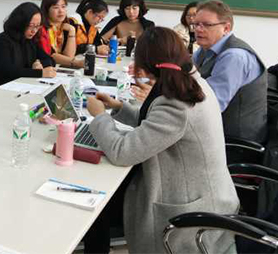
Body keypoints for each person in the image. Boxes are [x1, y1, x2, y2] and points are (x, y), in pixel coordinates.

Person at [85, 27, 239, 253]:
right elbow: (156, 126)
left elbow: (122, 152)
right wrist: (118, 107)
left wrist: (99, 117)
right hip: (206, 193)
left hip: (190, 209)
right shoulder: (191, 82)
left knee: (97, 202)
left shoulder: (177, 102)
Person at [193, 0, 267, 142]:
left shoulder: (234, 56)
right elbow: (186, 81)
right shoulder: (203, 50)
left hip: (236, 139)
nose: (198, 29)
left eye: (206, 25)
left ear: (226, 28)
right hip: (213, 129)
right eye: (196, 24)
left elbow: (212, 104)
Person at [0, 2, 56, 91]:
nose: (34, 31)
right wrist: (39, 73)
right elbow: (8, 71)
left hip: (18, 86)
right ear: (20, 23)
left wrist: (39, 64)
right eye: (31, 26)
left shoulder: (30, 40)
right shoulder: (2, 41)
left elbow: (50, 60)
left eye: (37, 26)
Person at [37, 0, 83, 68]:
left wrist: (72, 31)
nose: (61, 11)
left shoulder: (66, 27)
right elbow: (51, 55)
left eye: (63, 7)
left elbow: (69, 55)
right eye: (56, 7)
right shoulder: (42, 29)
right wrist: (76, 63)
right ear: (46, 10)